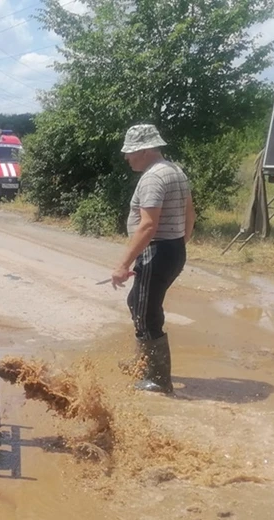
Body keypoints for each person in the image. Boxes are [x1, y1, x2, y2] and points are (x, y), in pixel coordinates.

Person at [111, 124, 196, 394]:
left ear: (146, 151)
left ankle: (158, 379)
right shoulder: (175, 170)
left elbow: (147, 226)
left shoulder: (153, 178)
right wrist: (178, 243)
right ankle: (143, 363)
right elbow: (189, 212)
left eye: (131, 152)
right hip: (170, 249)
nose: (127, 157)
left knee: (147, 313)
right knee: (137, 302)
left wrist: (123, 265)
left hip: (157, 250)